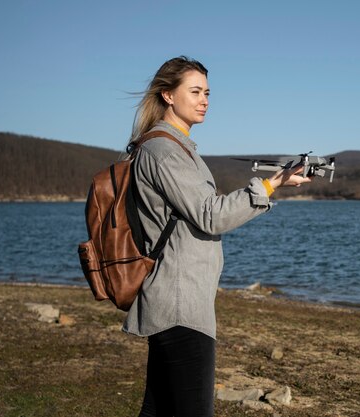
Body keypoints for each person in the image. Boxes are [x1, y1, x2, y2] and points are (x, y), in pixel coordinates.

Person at [122, 56, 311, 417]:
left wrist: (279, 182)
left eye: (207, 91)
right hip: (181, 306)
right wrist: (271, 185)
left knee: (159, 411)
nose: (204, 99)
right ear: (168, 96)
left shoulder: (175, 148)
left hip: (179, 300)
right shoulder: (163, 152)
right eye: (194, 91)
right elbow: (211, 215)